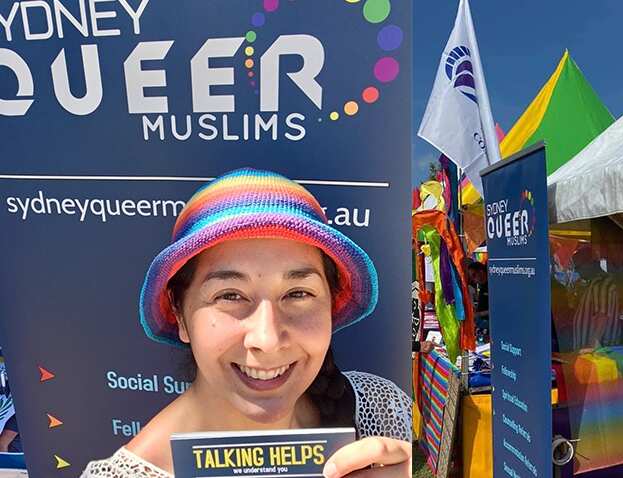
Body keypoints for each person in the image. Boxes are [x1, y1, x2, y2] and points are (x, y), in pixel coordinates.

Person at [82, 169, 412, 477]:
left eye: (298, 293)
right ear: (179, 313)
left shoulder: (380, 410)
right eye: (230, 295)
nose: (267, 339)